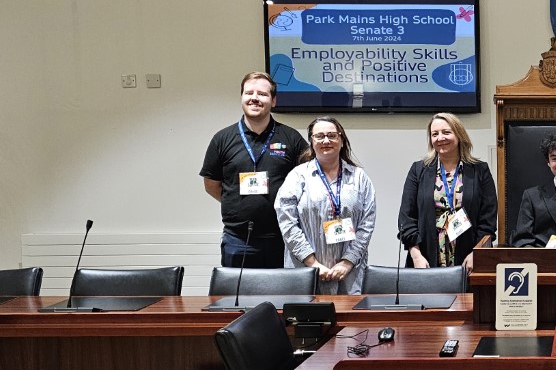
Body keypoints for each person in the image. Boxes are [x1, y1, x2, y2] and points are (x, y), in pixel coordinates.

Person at [200, 71, 309, 268]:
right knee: (236, 289)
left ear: (273, 101)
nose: (255, 98)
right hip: (237, 239)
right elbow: (211, 184)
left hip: (283, 236)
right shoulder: (222, 139)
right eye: (249, 93)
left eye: (262, 94)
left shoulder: (291, 138)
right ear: (242, 97)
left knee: (282, 289)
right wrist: (238, 203)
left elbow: (309, 182)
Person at [275, 117, 376, 294]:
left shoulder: (359, 178)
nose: (326, 140)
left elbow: (367, 224)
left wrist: (347, 262)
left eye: (332, 135)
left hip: (349, 275)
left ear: (341, 140)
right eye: (319, 136)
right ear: (311, 141)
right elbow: (287, 222)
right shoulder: (297, 176)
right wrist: (312, 263)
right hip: (304, 272)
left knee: (349, 313)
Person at [397, 112, 497, 272]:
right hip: (424, 262)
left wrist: (477, 254)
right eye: (434, 134)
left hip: (468, 262)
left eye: (446, 132)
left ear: (459, 134)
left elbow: (488, 221)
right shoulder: (418, 170)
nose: (440, 138)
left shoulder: (480, 170)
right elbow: (406, 219)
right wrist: (416, 256)